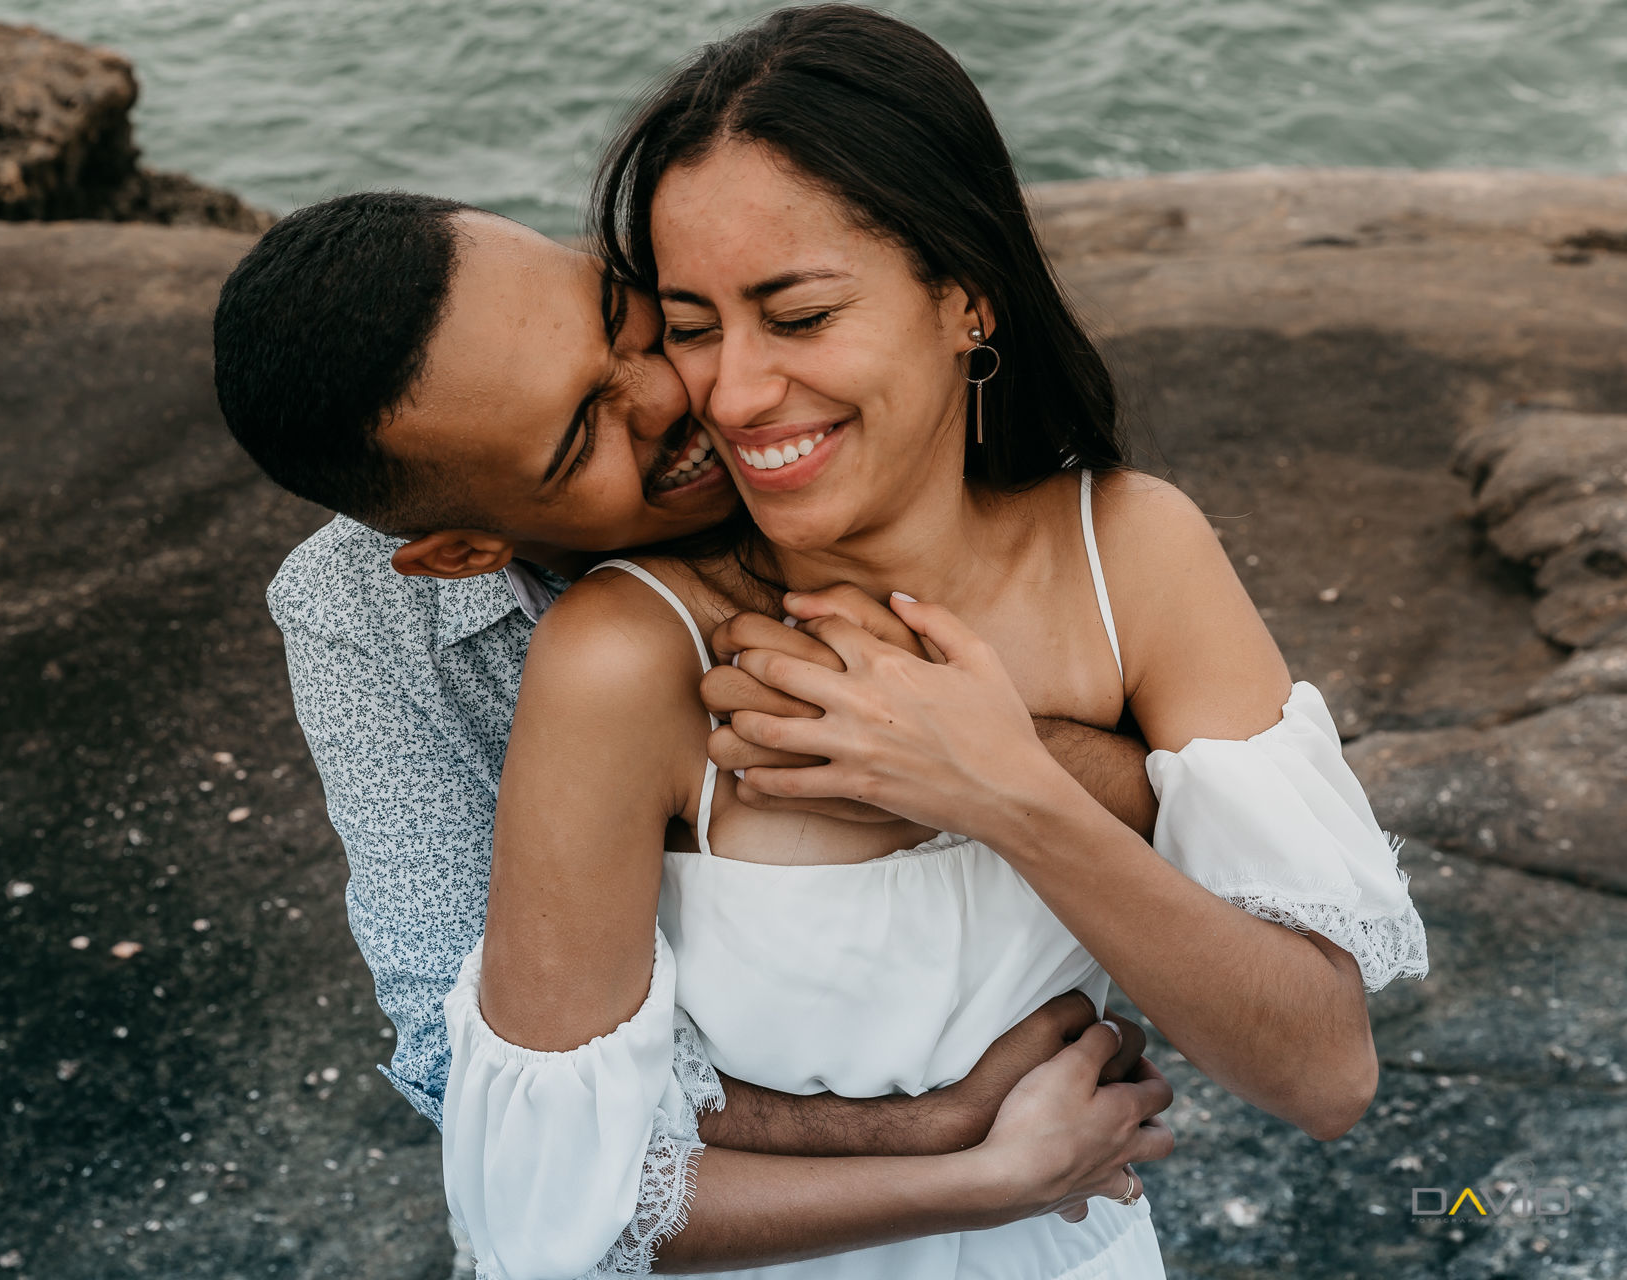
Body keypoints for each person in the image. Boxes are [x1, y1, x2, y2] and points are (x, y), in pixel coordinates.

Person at [440, 6, 1430, 1278]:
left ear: (965, 297)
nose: (734, 394)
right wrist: (974, 1178)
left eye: (795, 314)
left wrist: (1007, 785)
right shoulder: (630, 652)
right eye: (693, 325)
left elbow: (1324, 1069)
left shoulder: (1132, 556)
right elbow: (542, 1207)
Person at [214, 193, 1175, 1268]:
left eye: (629, 322)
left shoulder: (828, 425)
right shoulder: (356, 615)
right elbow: (473, 1073)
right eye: (589, 432)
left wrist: (949, 750)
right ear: (461, 551)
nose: (685, 391)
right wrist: (931, 1131)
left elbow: (1172, 783)